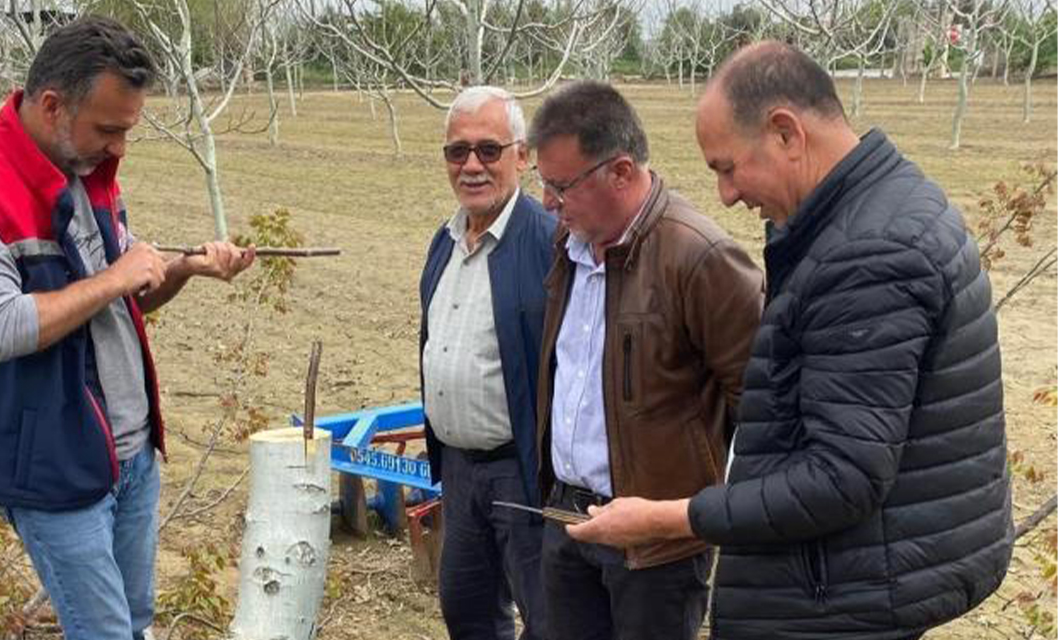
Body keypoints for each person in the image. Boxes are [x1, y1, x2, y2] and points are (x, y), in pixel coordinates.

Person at [566, 42, 1014, 640]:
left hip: (842, 598)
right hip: (867, 575)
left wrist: (670, 517)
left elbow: (841, 478)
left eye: (727, 167)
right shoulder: (880, 206)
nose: (725, 194)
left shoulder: (868, 255)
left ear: (785, 133)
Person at [0, 17, 254, 639]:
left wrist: (181, 269)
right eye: (109, 129)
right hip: (51, 466)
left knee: (134, 623)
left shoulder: (87, 173)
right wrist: (119, 276)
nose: (120, 147)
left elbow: (120, 304)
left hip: (129, 454)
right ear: (51, 105)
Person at [529, 80, 764, 640]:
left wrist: (699, 515)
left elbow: (762, 408)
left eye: (561, 186)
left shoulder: (700, 258)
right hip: (567, 519)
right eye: (543, 184)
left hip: (656, 549)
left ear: (622, 172)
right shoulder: (570, 245)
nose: (547, 203)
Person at [419, 85, 555, 640]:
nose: (471, 166)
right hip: (458, 468)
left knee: (547, 615)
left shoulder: (548, 242)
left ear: (522, 156)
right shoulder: (444, 241)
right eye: (458, 152)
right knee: (467, 609)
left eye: (488, 150)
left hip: (519, 470)